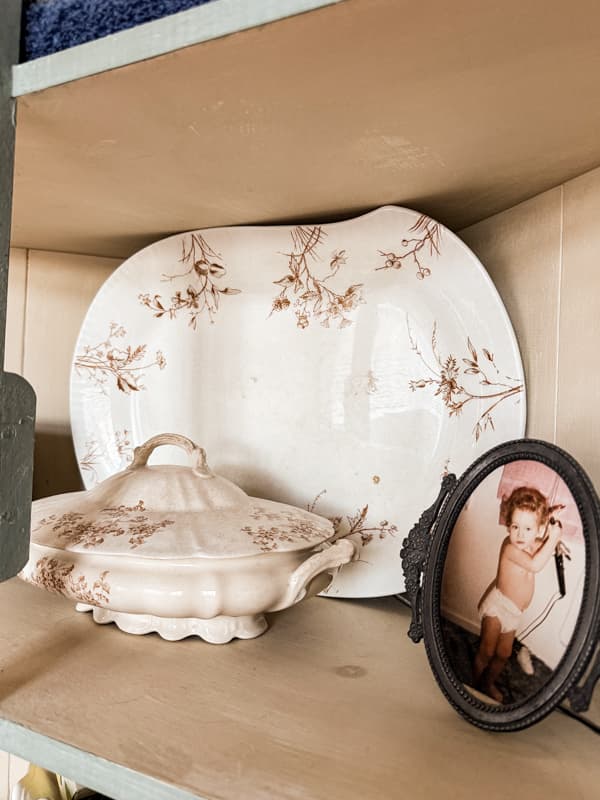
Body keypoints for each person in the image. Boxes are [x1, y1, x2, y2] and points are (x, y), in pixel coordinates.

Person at [472, 485, 563, 702]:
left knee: (503, 654)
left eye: (528, 529)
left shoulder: (533, 543)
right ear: (508, 526)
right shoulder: (510, 548)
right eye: (515, 527)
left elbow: (543, 544)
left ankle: (488, 682)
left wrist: (556, 539)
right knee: (486, 650)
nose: (520, 535)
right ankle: (474, 684)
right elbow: (534, 565)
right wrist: (553, 539)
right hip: (498, 606)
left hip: (514, 613)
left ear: (538, 529)